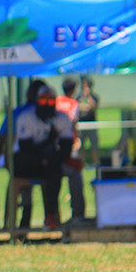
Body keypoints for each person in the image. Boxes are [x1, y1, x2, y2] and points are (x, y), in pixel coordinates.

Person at [15, 84, 74, 230]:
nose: (47, 105)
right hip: (27, 162)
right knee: (26, 162)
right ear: (37, 101)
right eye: (43, 101)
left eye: (50, 101)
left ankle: (52, 214)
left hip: (51, 163)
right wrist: (49, 141)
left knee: (57, 171)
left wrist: (49, 158)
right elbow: (26, 148)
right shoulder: (26, 117)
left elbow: (66, 148)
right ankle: (24, 220)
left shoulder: (62, 118)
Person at [0, 79, 46, 229]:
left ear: (29, 94)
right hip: (39, 165)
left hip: (20, 165)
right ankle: (21, 225)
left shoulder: (17, 113)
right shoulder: (47, 113)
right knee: (23, 189)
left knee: (17, 186)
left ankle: (11, 225)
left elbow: (0, 141)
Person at [55, 77, 86, 223]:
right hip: (69, 144)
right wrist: (77, 139)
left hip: (54, 144)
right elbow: (74, 123)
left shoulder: (56, 102)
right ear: (73, 90)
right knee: (75, 174)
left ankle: (54, 215)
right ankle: (78, 214)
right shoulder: (73, 103)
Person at [76, 76, 101, 166]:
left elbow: (93, 107)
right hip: (81, 124)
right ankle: (80, 163)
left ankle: (96, 163)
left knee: (94, 145)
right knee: (80, 146)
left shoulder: (94, 96)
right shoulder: (78, 97)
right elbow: (77, 107)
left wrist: (88, 95)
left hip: (92, 124)